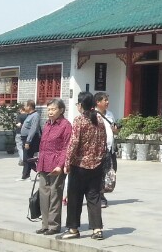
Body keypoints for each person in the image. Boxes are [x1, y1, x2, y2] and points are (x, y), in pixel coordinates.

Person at [58, 92, 107, 240]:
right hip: (97, 164)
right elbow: (104, 142)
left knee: (75, 198)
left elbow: (73, 144)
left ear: (80, 105)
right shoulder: (100, 119)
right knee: (94, 197)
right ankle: (97, 229)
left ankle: (73, 229)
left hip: (80, 165)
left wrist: (67, 163)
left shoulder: (79, 120)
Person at [36, 99, 71, 235]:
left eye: (53, 109)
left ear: (61, 110)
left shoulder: (65, 125)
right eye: (49, 109)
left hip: (56, 165)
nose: (50, 112)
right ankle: (45, 224)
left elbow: (66, 148)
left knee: (55, 195)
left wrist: (60, 165)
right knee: (44, 195)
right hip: (44, 163)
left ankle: (54, 225)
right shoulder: (47, 124)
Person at [94, 92, 117, 207]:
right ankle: (100, 196)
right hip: (99, 150)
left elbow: (114, 129)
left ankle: (101, 193)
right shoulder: (93, 115)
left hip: (110, 149)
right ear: (98, 102)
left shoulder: (110, 114)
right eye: (105, 100)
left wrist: (116, 130)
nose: (107, 102)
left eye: (107, 100)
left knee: (111, 172)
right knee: (100, 173)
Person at [18, 100, 41, 181]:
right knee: (28, 157)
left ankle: (39, 171)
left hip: (31, 139)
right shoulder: (29, 115)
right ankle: (25, 175)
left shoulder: (35, 115)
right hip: (25, 138)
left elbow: (33, 129)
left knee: (27, 158)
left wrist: (28, 141)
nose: (24, 108)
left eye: (25, 106)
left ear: (30, 106)